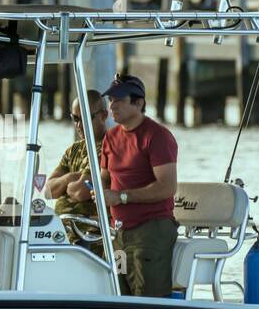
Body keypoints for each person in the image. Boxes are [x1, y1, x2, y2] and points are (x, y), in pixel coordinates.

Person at [68, 74, 178, 297]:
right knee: (119, 294)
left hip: (150, 233)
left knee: (148, 301)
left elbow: (167, 188)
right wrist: (86, 188)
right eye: (110, 100)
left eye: (119, 100)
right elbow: (104, 178)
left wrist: (121, 197)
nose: (112, 105)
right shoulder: (111, 137)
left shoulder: (158, 136)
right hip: (118, 235)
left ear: (139, 103)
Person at [46, 89, 107, 252]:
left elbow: (81, 191)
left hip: (89, 237)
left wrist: (65, 184)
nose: (79, 125)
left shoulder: (108, 148)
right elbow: (48, 191)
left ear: (103, 116)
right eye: (75, 118)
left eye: (86, 118)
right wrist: (71, 177)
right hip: (61, 234)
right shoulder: (73, 150)